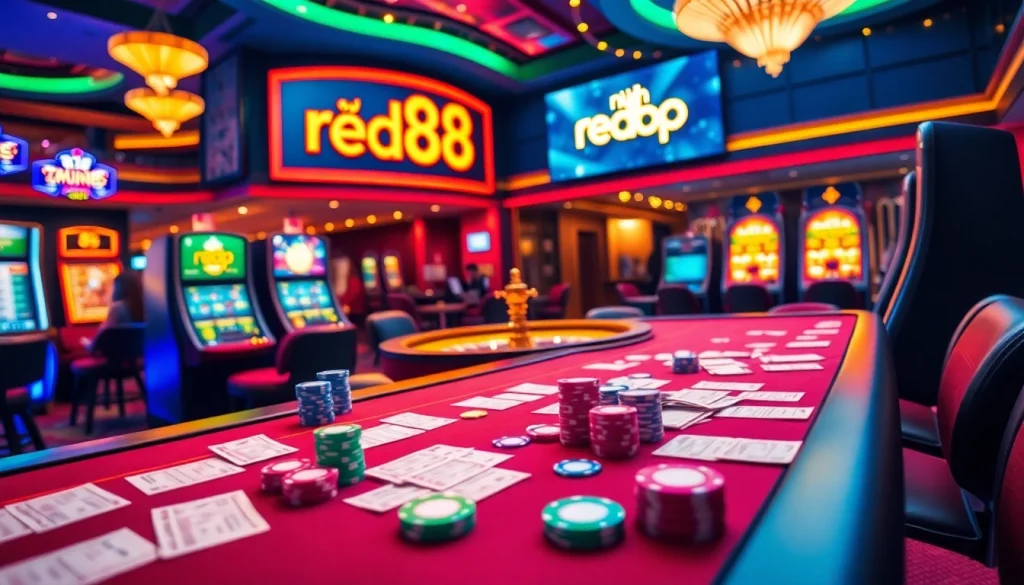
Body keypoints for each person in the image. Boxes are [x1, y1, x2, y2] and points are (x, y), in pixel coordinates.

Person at [81, 272, 144, 351]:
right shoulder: (146, 307)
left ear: (119, 288)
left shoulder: (118, 307)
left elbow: (103, 339)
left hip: (117, 357)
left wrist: (87, 343)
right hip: (141, 357)